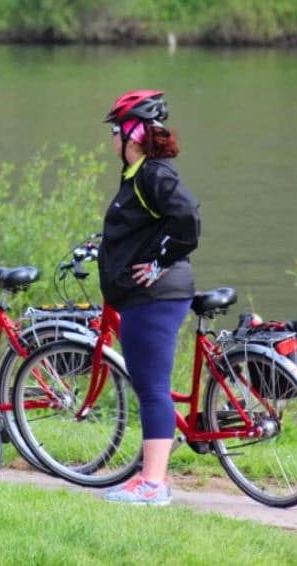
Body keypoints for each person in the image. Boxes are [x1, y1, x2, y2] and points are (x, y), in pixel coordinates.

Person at [98, 89, 200, 505]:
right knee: (150, 386)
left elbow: (188, 222)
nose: (111, 140)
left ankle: (153, 486)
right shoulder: (137, 176)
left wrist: (158, 264)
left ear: (134, 134)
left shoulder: (154, 175)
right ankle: (148, 474)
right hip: (146, 295)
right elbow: (142, 227)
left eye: (116, 132)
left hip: (154, 296)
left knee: (152, 388)